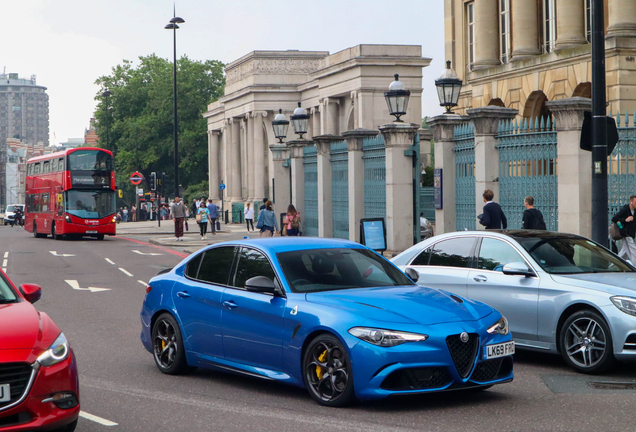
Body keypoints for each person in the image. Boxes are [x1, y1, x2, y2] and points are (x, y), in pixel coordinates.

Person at [612, 195, 636, 263]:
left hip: (631, 232)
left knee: (624, 252)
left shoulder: (635, 210)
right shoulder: (625, 209)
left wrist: (633, 218)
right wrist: (625, 220)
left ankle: (615, 264)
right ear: (631, 202)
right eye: (635, 202)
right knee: (633, 250)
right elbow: (614, 218)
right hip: (626, 232)